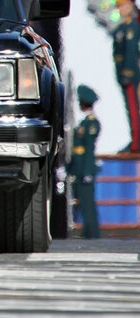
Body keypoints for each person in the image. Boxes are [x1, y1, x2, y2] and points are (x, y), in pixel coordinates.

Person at [67, 84, 101, 238]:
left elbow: (88, 150)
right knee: (82, 201)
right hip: (79, 168)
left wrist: (87, 171)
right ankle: (88, 232)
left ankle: (92, 233)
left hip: (85, 169)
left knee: (88, 203)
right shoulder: (84, 122)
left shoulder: (91, 123)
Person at [112, 0, 140, 154]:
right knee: (130, 108)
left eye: (122, 5)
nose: (119, 9)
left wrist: (127, 72)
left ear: (130, 5)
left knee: (134, 108)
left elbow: (130, 51)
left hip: (129, 73)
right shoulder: (123, 26)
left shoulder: (131, 26)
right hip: (122, 72)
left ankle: (136, 144)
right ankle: (134, 141)